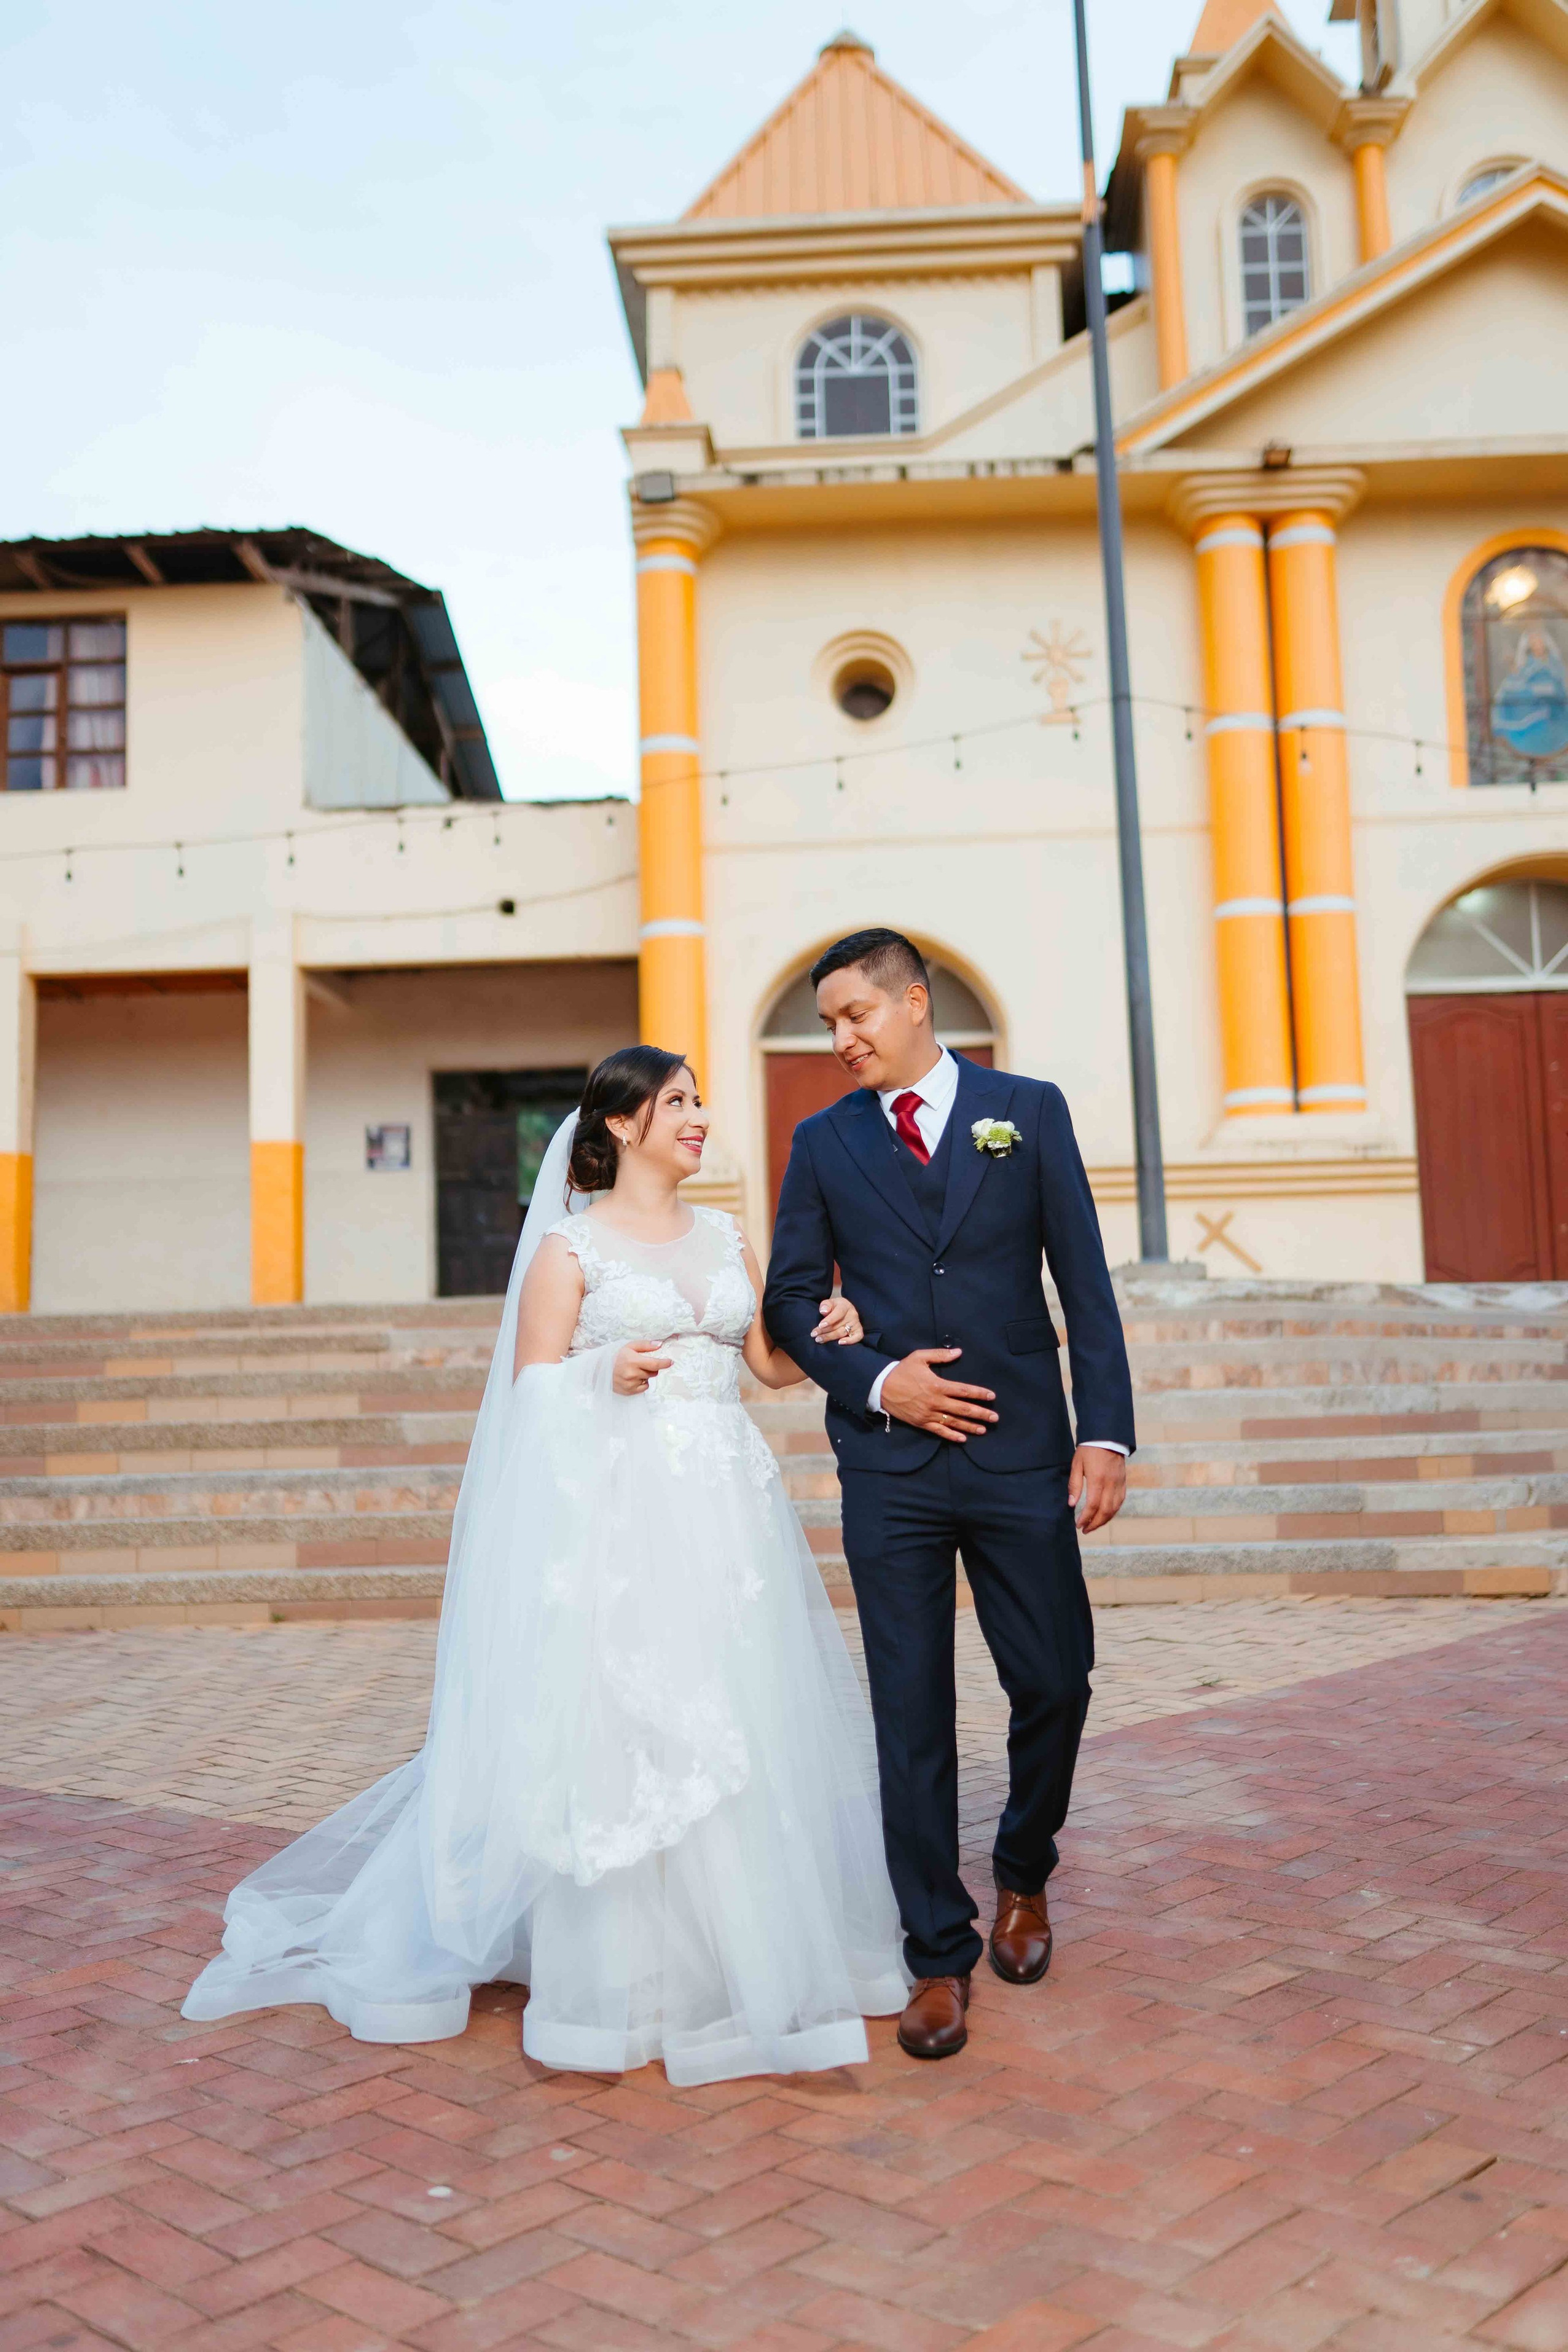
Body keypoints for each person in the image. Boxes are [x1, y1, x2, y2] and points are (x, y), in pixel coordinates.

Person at [183, 1046, 907, 2085]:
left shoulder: (724, 1235)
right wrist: (598, 1374)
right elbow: (529, 1396)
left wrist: (830, 1326)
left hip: (729, 1517)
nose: (701, 1118)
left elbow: (767, 1364)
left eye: (700, 1101)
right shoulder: (571, 1251)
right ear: (621, 1126)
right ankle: (616, 1970)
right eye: (679, 1103)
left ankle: (730, 1950)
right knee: (630, 1723)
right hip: (622, 1525)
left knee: (738, 1712)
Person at [764, 929, 1134, 2060]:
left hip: (1022, 1452)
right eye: (828, 1024)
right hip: (891, 1471)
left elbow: (1081, 1275)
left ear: (914, 1003)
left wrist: (1105, 1430)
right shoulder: (822, 1144)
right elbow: (787, 1304)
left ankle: (1024, 1871)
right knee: (909, 1713)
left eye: (854, 1017)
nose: (840, 1041)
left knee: (1055, 1681)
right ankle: (937, 1951)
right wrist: (882, 1382)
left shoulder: (1027, 1109)